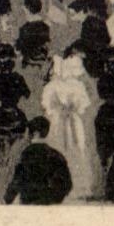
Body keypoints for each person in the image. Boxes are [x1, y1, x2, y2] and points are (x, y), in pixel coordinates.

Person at [40, 53, 95, 201]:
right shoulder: (56, 86)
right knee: (61, 147)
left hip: (65, 120)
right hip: (62, 121)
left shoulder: (73, 86)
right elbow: (48, 107)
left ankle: (75, 185)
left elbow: (49, 108)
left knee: (74, 147)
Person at [5, 115, 72, 205]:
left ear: (35, 133)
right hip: (52, 205)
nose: (26, 135)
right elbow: (67, 184)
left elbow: (18, 180)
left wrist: (7, 199)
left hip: (29, 203)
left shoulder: (26, 154)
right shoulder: (56, 154)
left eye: (28, 132)